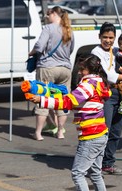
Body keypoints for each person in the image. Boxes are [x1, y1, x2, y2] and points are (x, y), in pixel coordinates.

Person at [29, 54, 112, 191]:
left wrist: (42, 100)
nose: (80, 72)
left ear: (90, 70)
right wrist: (50, 95)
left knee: (77, 173)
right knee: (95, 173)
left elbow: (69, 102)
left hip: (91, 136)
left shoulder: (88, 85)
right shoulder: (100, 82)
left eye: (82, 69)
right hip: (101, 134)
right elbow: (74, 100)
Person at [91, 22, 122, 175]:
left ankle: (108, 163)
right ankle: (95, 164)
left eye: (111, 37)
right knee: (104, 131)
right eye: (105, 37)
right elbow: (107, 74)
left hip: (120, 94)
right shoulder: (95, 52)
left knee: (116, 131)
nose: (108, 40)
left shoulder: (117, 50)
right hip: (105, 95)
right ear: (99, 37)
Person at [28, 6, 74, 140]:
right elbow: (71, 49)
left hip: (47, 68)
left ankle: (38, 133)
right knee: (61, 100)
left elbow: (39, 46)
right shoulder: (69, 29)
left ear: (54, 14)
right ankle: (60, 132)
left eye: (48, 15)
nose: (47, 17)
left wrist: (32, 53)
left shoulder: (48, 28)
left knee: (43, 99)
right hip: (65, 69)